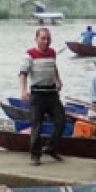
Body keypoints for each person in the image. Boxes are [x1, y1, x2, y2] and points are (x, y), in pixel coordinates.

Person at [20, 27, 65, 166]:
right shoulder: (30, 55)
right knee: (37, 126)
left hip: (52, 94)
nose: (46, 41)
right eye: (43, 38)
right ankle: (35, 155)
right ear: (36, 39)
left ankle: (51, 147)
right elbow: (23, 73)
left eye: (48, 38)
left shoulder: (52, 53)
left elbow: (54, 67)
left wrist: (58, 80)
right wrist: (23, 91)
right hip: (37, 95)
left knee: (61, 121)